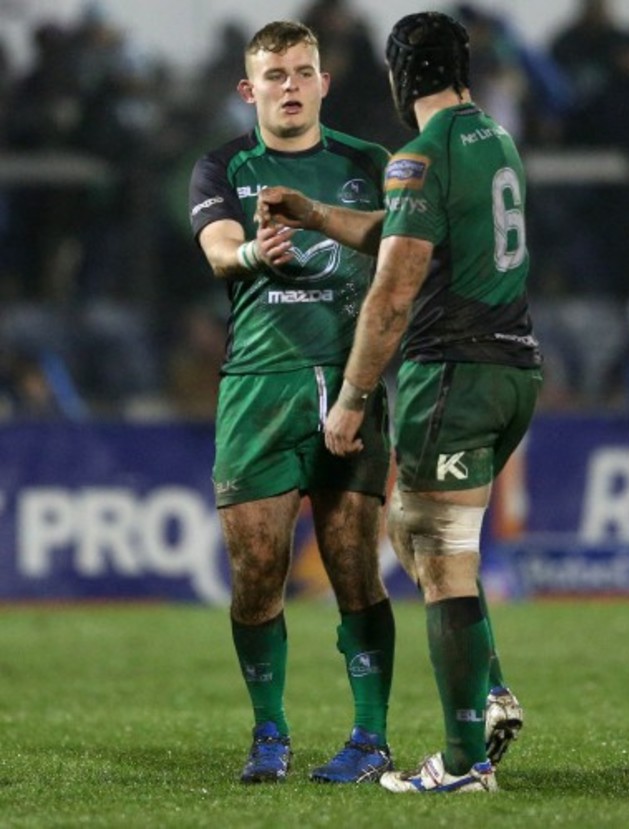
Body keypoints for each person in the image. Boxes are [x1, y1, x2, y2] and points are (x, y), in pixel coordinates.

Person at [259, 10, 542, 794]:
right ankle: (487, 693)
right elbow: (405, 232)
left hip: (453, 366)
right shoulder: (494, 140)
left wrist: (351, 398)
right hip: (515, 367)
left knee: (434, 543)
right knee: (425, 542)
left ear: (398, 77)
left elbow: (392, 289)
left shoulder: (420, 153)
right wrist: (317, 215)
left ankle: (462, 760)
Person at [188, 20, 395, 785]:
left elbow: (403, 246)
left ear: (324, 82)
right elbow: (217, 249)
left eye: (302, 72)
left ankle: (370, 737)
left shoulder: (367, 163)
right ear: (250, 89)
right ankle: (269, 730)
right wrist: (251, 253)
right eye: (274, 75)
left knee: (352, 567)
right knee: (257, 570)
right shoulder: (222, 165)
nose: (291, 85)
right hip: (258, 386)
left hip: (349, 381)